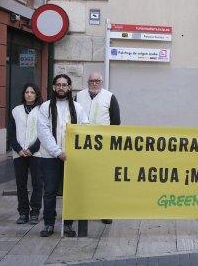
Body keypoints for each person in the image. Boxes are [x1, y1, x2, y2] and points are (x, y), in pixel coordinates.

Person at [37, 74, 89, 238]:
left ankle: (68, 224)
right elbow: (43, 132)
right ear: (53, 87)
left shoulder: (78, 108)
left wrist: (71, 152)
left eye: (64, 85)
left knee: (70, 191)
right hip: (50, 157)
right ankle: (49, 224)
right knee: (50, 191)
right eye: (58, 85)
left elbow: (84, 129)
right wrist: (58, 152)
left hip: (71, 157)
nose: (61, 87)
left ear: (69, 87)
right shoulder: (45, 107)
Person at [76, 71, 121, 225]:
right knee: (83, 179)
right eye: (91, 81)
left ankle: (105, 211)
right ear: (87, 82)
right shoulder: (79, 96)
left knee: (104, 180)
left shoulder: (110, 97)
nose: (94, 83)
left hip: (103, 148)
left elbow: (116, 123)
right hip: (82, 146)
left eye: (97, 81)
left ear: (101, 82)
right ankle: (81, 210)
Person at [8, 83, 43, 225]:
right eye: (27, 92)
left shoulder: (43, 110)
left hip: (37, 153)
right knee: (21, 184)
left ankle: (35, 212)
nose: (29, 94)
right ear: (23, 94)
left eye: (32, 92)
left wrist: (32, 149)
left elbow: (44, 132)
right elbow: (11, 132)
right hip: (19, 154)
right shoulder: (16, 110)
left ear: (36, 94)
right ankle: (23, 213)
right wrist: (18, 149)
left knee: (37, 183)